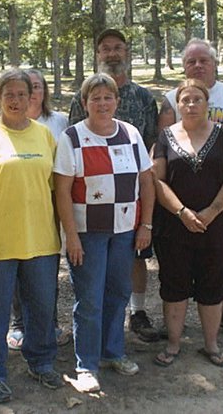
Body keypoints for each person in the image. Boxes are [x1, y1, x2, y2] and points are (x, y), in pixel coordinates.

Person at [0, 69, 63, 404]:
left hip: (42, 242)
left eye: (23, 94)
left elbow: (55, 190)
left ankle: (41, 360)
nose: (17, 101)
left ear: (34, 97)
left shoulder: (45, 136)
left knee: (42, 307)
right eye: (10, 95)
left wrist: (66, 235)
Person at [56, 73, 155, 393]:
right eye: (94, 98)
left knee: (117, 294)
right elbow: (61, 191)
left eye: (107, 97)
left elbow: (147, 182)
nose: (101, 103)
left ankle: (113, 352)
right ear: (84, 103)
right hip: (88, 233)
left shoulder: (131, 133)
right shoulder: (71, 137)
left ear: (117, 101)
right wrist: (70, 235)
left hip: (125, 231)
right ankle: (86, 364)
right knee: (89, 299)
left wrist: (146, 225)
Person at [158, 38, 223, 338]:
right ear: (184, 66)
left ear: (215, 63)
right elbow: (162, 147)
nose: (198, 65)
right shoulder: (171, 97)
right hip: (179, 203)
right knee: (177, 264)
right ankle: (176, 326)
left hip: (221, 193)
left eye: (204, 60)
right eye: (191, 61)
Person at [68, 29, 160, 343]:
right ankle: (93, 344)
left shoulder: (144, 97)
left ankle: (137, 312)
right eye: (106, 48)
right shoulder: (82, 97)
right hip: (91, 207)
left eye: (118, 48)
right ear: (98, 54)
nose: (112, 54)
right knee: (92, 280)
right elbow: (73, 148)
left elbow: (150, 147)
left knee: (135, 257)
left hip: (130, 199)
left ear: (126, 52)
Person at [152, 79, 223, 368]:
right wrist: (182, 212)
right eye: (185, 100)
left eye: (197, 100)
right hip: (174, 228)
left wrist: (212, 210)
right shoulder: (164, 138)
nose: (191, 105)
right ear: (177, 105)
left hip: (215, 226)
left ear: (207, 104)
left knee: (212, 285)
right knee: (174, 284)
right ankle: (174, 344)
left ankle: (211, 344)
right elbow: (157, 180)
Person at [7, 68, 71, 350]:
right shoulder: (5, 124)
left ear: (43, 92)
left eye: (37, 87)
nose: (32, 94)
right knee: (16, 269)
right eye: (26, 88)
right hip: (16, 208)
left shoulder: (59, 122)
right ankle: (19, 324)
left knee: (47, 269)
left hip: (50, 208)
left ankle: (50, 323)